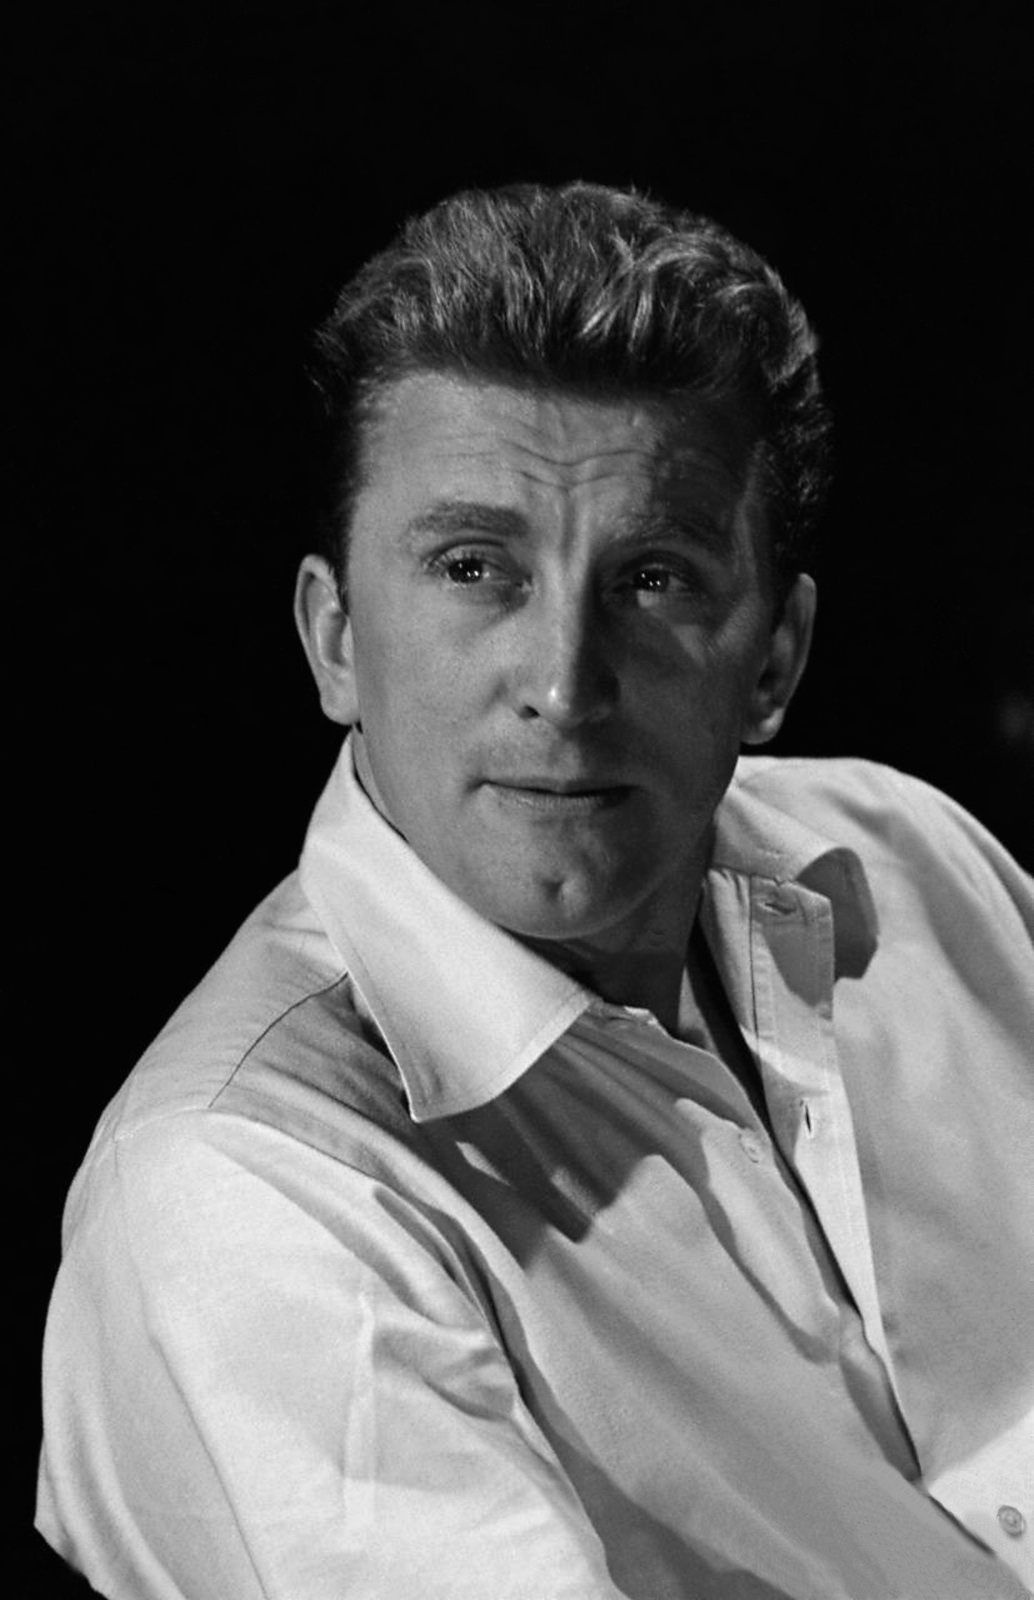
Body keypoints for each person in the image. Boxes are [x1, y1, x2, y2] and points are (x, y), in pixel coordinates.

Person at [36, 182, 1033, 1600]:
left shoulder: (916, 859)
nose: (565, 686)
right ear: (334, 640)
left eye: (653, 578)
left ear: (774, 659)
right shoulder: (245, 1192)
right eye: (473, 568)